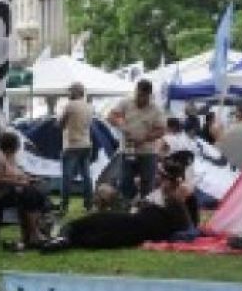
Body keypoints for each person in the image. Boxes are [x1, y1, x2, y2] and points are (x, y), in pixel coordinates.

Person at [41, 158, 197, 252]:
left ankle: (62, 238)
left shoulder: (179, 198)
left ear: (172, 180)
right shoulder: (160, 193)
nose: (158, 177)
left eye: (162, 176)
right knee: (91, 227)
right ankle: (62, 237)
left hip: (137, 225)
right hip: (134, 221)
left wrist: (176, 198)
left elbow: (187, 227)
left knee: (90, 231)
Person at [0, 131, 53, 251]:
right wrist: (19, 182)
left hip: (9, 190)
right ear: (12, 146)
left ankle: (34, 231)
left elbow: (17, 174)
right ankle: (34, 233)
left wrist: (31, 179)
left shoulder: (10, 157)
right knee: (28, 193)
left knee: (38, 192)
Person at [107, 79, 166, 206]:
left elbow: (161, 131)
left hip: (148, 152)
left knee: (147, 183)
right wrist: (121, 124)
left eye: (144, 96)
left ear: (149, 95)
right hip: (128, 149)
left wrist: (144, 138)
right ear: (136, 91)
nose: (140, 99)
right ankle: (127, 207)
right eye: (138, 95)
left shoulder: (156, 109)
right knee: (125, 181)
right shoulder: (125, 102)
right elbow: (110, 116)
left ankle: (145, 209)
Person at [58, 82, 94, 212]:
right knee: (86, 176)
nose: (69, 93)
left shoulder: (70, 106)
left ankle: (64, 206)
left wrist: (59, 122)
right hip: (86, 144)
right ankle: (88, 205)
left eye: (70, 91)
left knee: (67, 177)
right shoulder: (90, 107)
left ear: (76, 92)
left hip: (71, 145)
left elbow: (61, 124)